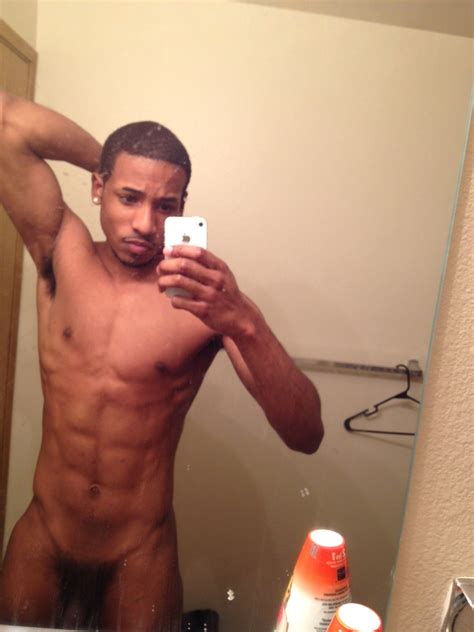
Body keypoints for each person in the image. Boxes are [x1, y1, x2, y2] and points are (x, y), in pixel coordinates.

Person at [0, 92, 324, 631]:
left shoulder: (206, 301)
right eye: (128, 197)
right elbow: (7, 120)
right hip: (44, 536)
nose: (145, 223)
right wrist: (111, 157)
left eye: (166, 205)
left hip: (140, 553)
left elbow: (306, 433)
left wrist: (243, 320)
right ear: (98, 188)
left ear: (183, 208)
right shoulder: (61, 250)